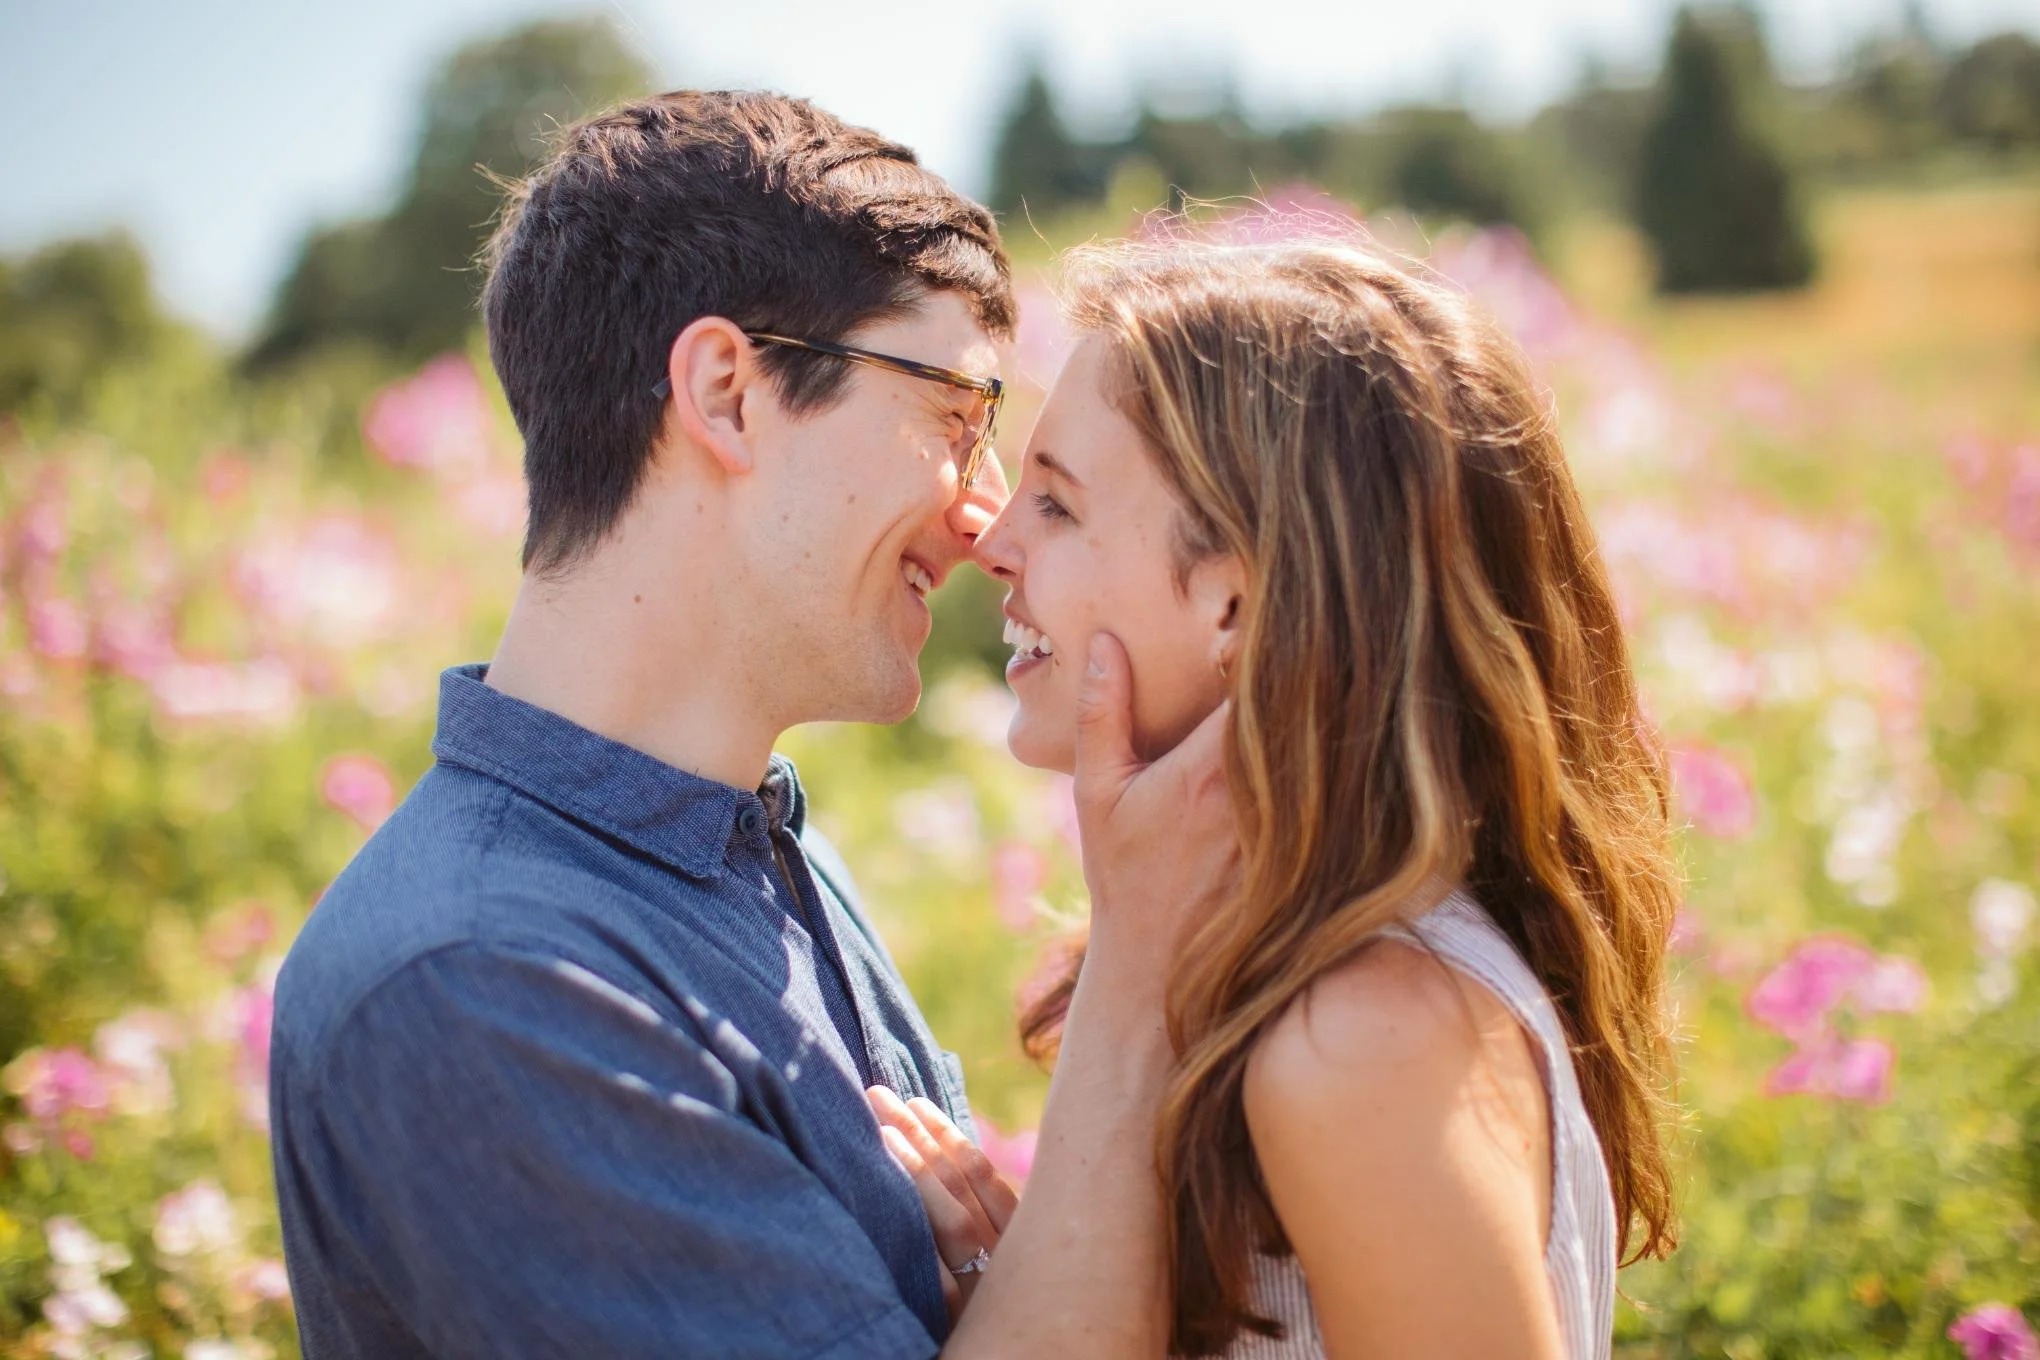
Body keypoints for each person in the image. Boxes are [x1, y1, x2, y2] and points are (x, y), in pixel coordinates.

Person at [269, 90, 1235, 1359]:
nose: (984, 521)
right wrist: (1140, 982)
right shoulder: (488, 979)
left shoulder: (751, 846)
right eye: (956, 419)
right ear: (729, 392)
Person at [876, 237, 1682, 1359]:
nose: (992, 540)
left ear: (1238, 609)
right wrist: (1025, 1297)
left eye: (1056, 504)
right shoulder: (1311, 975)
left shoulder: (1357, 1036)